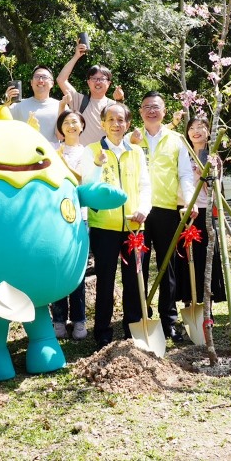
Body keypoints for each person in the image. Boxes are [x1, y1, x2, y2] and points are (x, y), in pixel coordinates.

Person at [82, 103, 151, 349]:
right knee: (105, 280)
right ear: (102, 124)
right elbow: (87, 187)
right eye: (110, 119)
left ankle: (133, 327)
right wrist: (97, 165)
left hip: (134, 226)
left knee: (134, 279)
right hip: (104, 227)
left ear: (128, 124)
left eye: (120, 120)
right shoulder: (91, 150)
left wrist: (144, 208)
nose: (116, 124)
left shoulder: (136, 151)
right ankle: (102, 331)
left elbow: (145, 185)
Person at [133, 92, 196, 342]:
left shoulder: (176, 139)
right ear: (140, 112)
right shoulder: (132, 138)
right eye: (146, 107)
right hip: (138, 211)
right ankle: (140, 316)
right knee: (138, 266)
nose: (151, 111)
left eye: (156, 107)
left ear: (164, 111)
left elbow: (185, 174)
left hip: (167, 208)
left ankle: (168, 319)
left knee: (167, 266)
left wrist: (189, 199)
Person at [174, 116, 226, 308]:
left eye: (200, 127)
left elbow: (213, 191)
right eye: (191, 128)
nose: (195, 131)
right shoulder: (182, 154)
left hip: (203, 211)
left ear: (208, 132)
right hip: (183, 210)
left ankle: (206, 302)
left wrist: (202, 174)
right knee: (184, 256)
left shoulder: (212, 158)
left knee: (204, 257)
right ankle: (188, 300)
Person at [50, 110, 89, 340]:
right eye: (66, 122)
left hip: (80, 217)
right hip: (56, 218)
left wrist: (62, 162)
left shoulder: (89, 152)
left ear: (82, 125)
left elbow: (82, 179)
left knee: (77, 270)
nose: (71, 125)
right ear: (60, 128)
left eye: (75, 121)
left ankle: (79, 320)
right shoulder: (52, 150)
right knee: (58, 268)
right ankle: (58, 320)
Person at [56, 42, 123, 145]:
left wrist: (119, 101)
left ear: (109, 83)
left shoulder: (113, 106)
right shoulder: (79, 100)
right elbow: (61, 79)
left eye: (102, 79)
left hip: (106, 153)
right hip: (82, 153)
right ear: (88, 82)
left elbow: (121, 128)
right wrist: (76, 56)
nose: (98, 82)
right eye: (94, 78)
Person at [0, 66, 63, 146]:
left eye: (44, 77)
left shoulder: (60, 106)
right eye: (37, 76)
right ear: (31, 83)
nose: (40, 80)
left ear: (52, 83)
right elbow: (1, 125)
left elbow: (64, 136)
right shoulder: (18, 105)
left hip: (50, 153)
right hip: (25, 153)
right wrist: (6, 102)